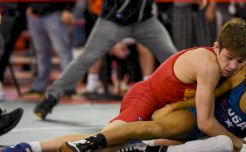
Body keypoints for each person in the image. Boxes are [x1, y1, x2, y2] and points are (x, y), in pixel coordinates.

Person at [0, 56, 246, 152]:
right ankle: (29, 149)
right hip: (195, 119)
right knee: (123, 137)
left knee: (227, 146)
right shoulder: (242, 73)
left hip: (202, 144)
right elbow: (208, 98)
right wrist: (175, 107)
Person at [39, 18, 246, 151]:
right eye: (229, 57)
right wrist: (234, 139)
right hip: (146, 98)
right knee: (103, 146)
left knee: (193, 146)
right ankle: (30, 149)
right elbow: (205, 123)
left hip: (166, 110)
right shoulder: (208, 65)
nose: (232, 66)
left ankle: (139, 146)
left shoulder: (234, 66)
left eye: (239, 61)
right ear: (216, 47)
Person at [33, 0, 179, 118]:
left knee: (172, 56)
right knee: (86, 57)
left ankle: (191, 93)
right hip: (113, 21)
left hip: (144, 21)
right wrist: (115, 41)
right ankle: (52, 96)